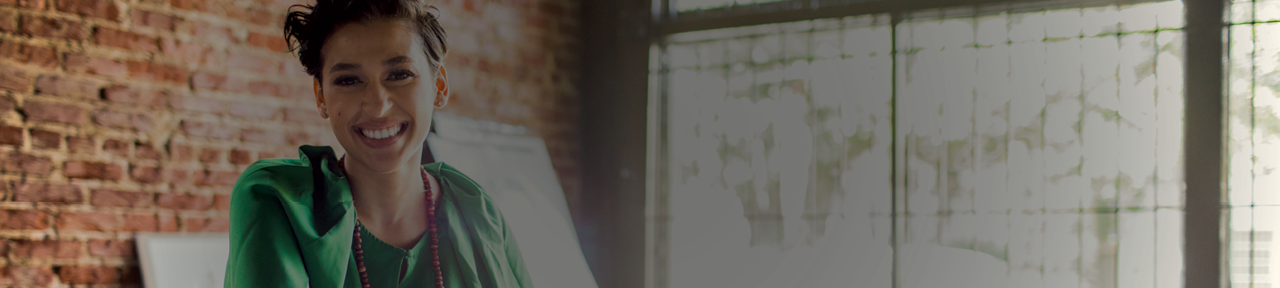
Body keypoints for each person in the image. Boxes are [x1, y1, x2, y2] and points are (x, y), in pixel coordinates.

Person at [223, 0, 532, 287]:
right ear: (321, 97)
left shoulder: (478, 211)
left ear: (438, 86)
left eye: (399, 74)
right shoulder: (277, 201)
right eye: (348, 80)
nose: (377, 106)